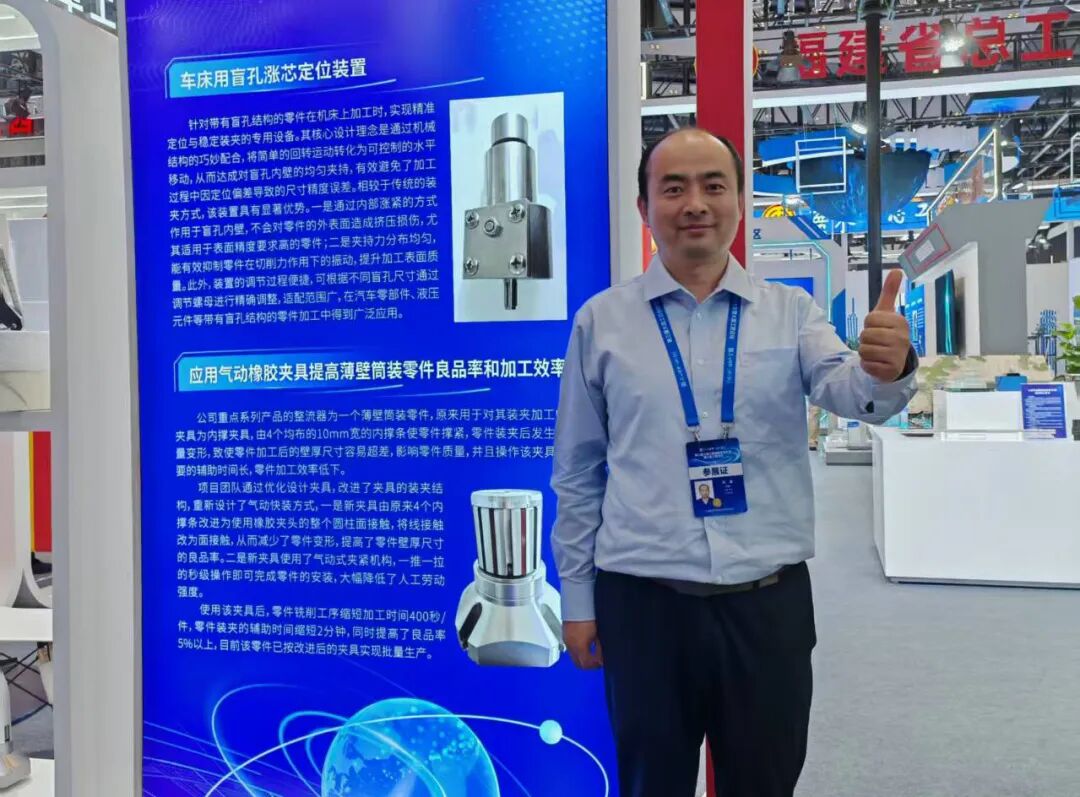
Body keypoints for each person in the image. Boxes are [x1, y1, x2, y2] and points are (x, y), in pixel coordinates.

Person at [550, 127, 918, 797]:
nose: (695, 202)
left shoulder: (791, 313)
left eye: (713, 185)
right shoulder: (601, 323)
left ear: (741, 203)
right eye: (673, 188)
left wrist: (888, 369)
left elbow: (851, 393)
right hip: (644, 606)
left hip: (766, 605)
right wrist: (577, 599)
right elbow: (577, 470)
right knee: (650, 783)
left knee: (764, 781)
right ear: (644, 208)